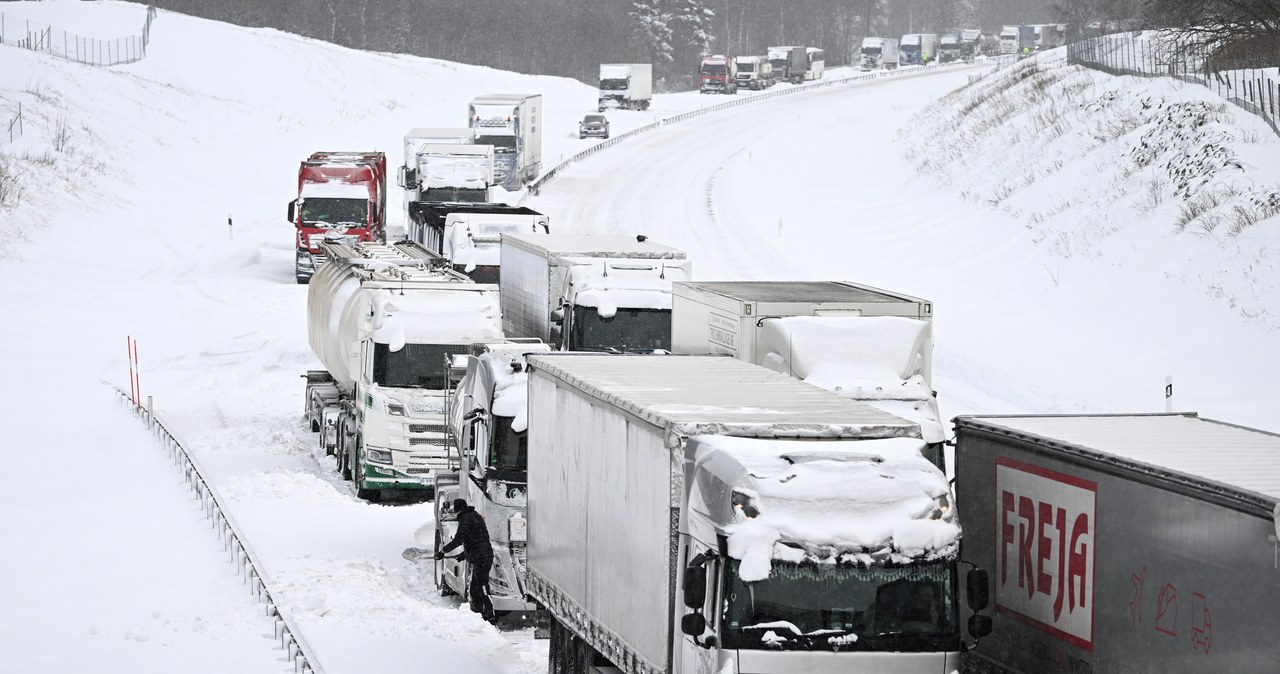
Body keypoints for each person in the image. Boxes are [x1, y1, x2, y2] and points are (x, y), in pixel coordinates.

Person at [434, 498, 496, 623]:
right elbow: (475, 540)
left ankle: (490, 614)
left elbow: (459, 540)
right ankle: (478, 615)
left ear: (459, 509)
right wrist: (464, 555)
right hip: (482, 555)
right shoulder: (474, 516)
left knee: (482, 587)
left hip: (482, 558)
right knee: (474, 589)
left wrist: (442, 552)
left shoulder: (466, 519)